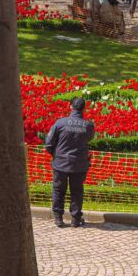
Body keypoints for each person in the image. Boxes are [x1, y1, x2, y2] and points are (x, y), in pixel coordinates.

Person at [45, 97, 95, 228]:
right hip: (79, 164)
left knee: (58, 190)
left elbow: (49, 144)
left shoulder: (60, 123)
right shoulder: (88, 125)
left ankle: (58, 218)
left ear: (70, 106)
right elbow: (89, 138)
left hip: (60, 163)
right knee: (77, 191)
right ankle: (75, 219)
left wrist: (56, 156)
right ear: (84, 108)